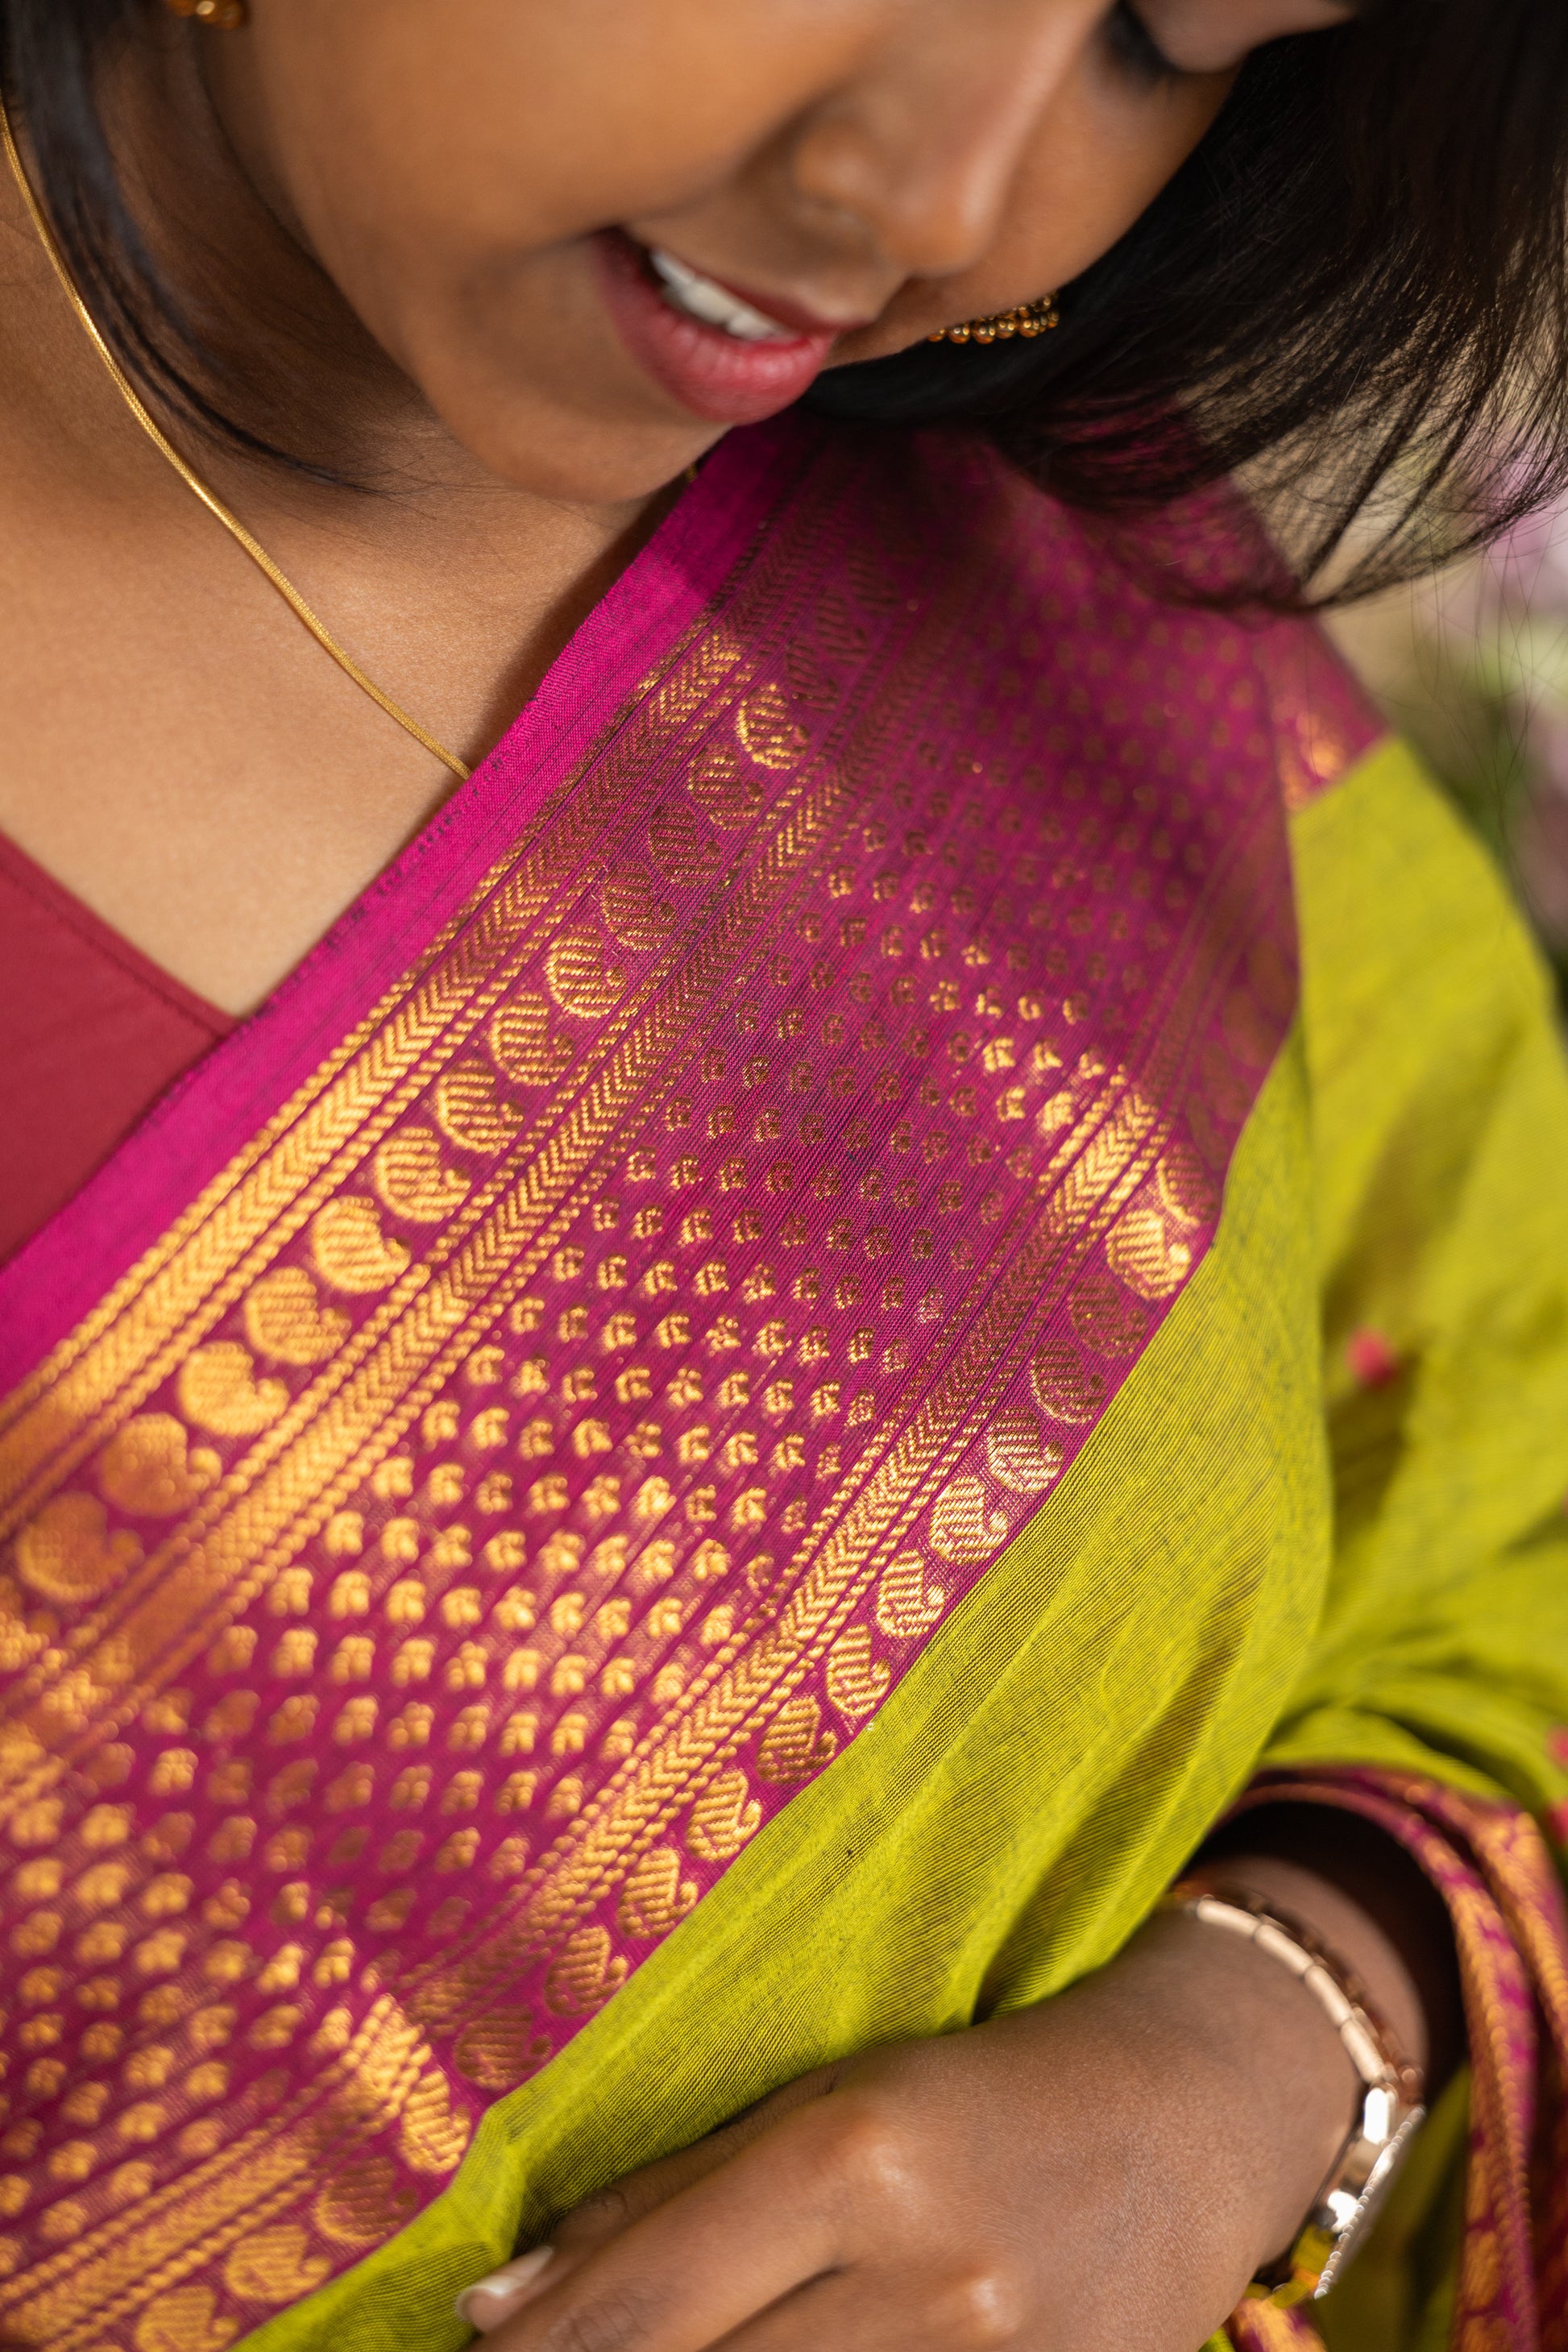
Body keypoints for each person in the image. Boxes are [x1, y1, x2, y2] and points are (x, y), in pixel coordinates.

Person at [0, 5, 1566, 2350]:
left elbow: (1505, 1430)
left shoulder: (1030, 528)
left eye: (1159, 38)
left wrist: (1256, 2046)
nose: (935, 201)